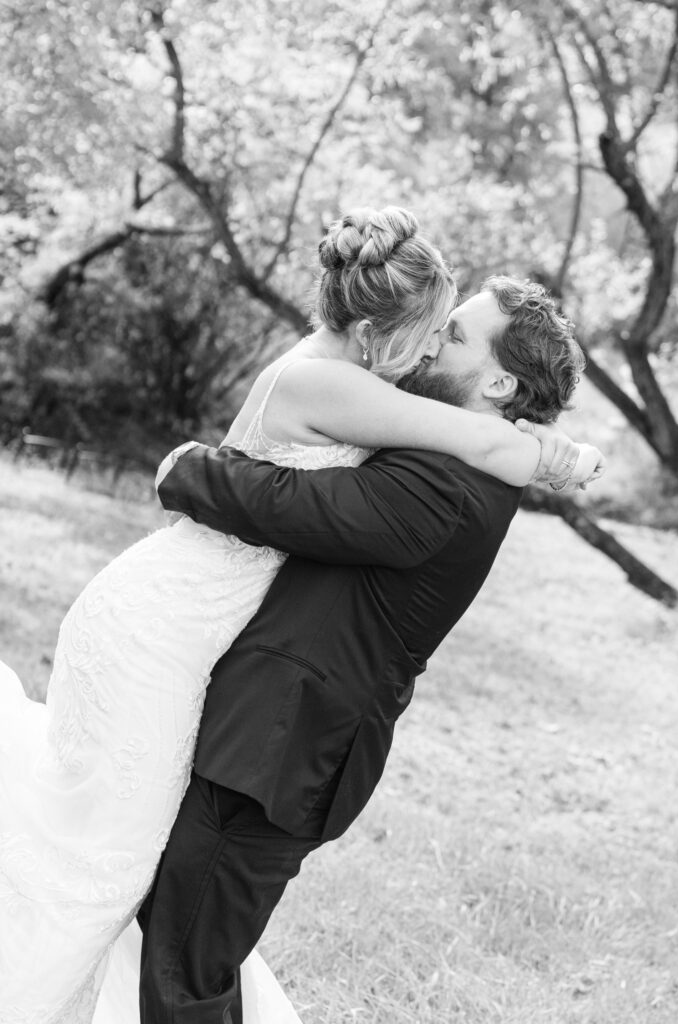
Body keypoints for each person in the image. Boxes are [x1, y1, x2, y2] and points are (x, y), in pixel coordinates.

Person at [0, 207, 600, 1024]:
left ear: (497, 384)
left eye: (452, 338)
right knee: (158, 922)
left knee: (183, 960)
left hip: (280, 748)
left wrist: (186, 465)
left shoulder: (446, 486)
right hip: (218, 693)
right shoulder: (440, 446)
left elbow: (278, 499)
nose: (431, 344)